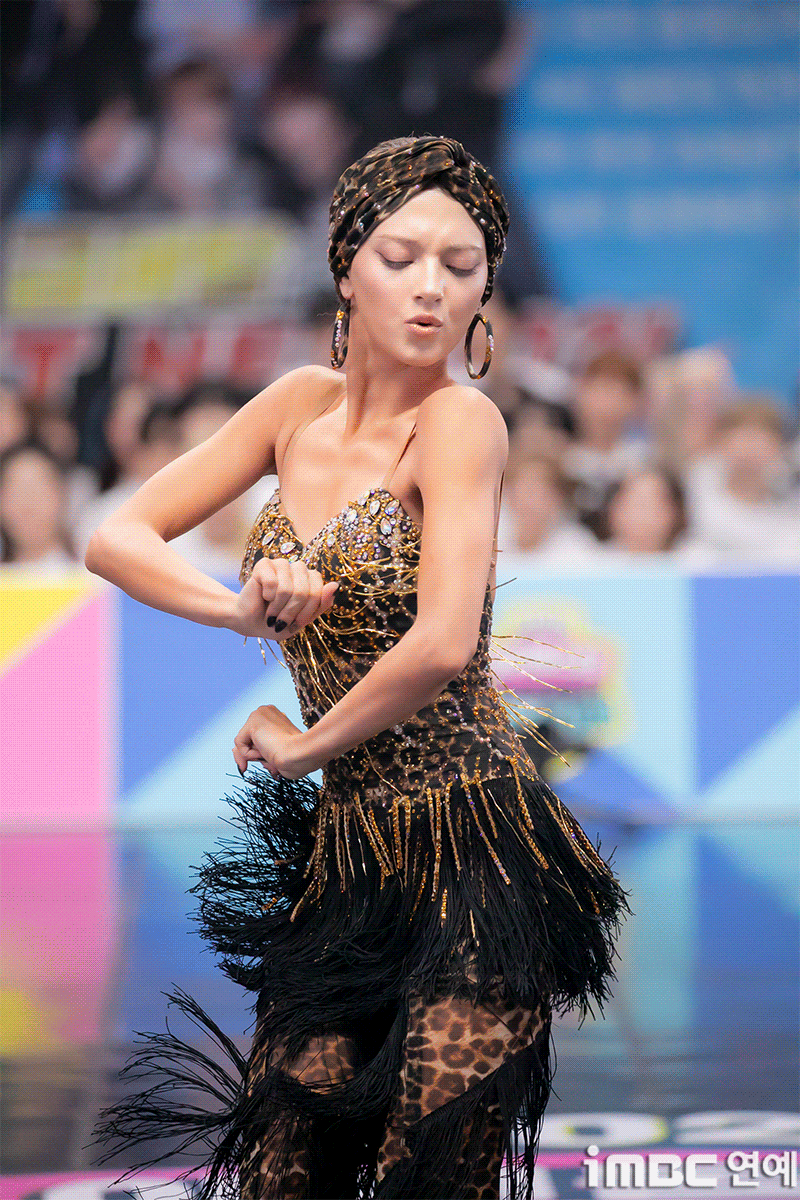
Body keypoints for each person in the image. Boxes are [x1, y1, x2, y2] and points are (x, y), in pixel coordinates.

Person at [89, 135, 631, 1200]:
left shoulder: (460, 420)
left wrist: (305, 747)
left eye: (460, 266)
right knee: (283, 1172)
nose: (431, 286)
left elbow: (443, 642)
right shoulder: (294, 405)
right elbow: (116, 538)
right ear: (347, 270)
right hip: (349, 855)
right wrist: (240, 607)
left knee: (431, 1175)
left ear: (482, 291)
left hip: (477, 852)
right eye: (401, 257)